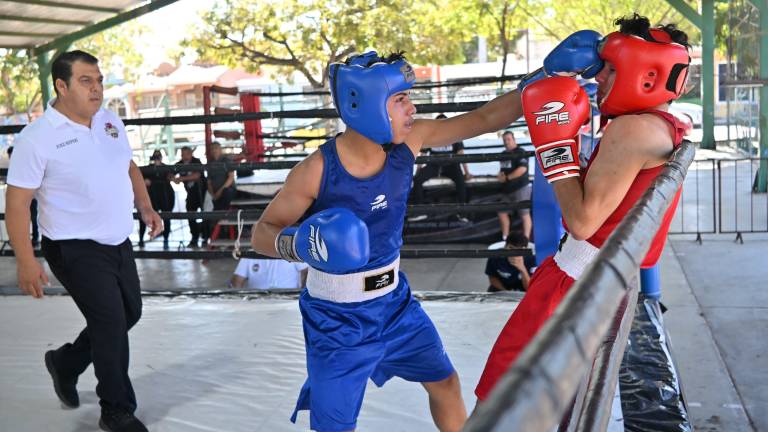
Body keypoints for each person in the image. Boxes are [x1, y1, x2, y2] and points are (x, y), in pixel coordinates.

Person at [250, 42, 600, 432]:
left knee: (445, 383)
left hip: (394, 304)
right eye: (400, 99)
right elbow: (261, 234)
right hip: (336, 320)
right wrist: (300, 244)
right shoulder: (316, 170)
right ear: (365, 105)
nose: (412, 108)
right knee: (333, 427)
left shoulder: (410, 141)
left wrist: (546, 78)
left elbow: (484, 118)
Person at [475, 14, 691, 402]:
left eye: (611, 68)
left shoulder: (633, 130)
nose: (598, 77)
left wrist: (554, 147)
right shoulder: (662, 125)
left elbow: (582, 222)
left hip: (572, 286)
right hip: (597, 283)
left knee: (500, 403)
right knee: (552, 407)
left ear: (646, 76)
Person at [4, 50, 161, 432]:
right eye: (86, 81)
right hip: (72, 246)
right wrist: (25, 260)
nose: (97, 89)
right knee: (110, 322)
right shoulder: (37, 138)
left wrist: (145, 206)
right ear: (62, 86)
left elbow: (127, 165)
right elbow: (18, 203)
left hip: (117, 239)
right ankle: (116, 410)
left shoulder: (109, 121)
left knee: (128, 314)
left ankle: (66, 363)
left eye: (99, 81)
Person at [409, 113, 471, 222]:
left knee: (461, 181)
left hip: (451, 165)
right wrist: (418, 170)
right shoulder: (430, 136)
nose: (442, 125)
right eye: (440, 122)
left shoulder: (455, 135)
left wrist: (467, 172)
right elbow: (423, 154)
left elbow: (461, 154)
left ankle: (462, 214)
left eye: (444, 122)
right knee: (417, 180)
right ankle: (419, 212)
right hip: (434, 165)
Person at [496, 131, 533, 240]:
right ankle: (505, 239)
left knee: (524, 214)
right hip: (507, 189)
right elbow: (502, 170)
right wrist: (500, 176)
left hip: (521, 187)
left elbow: (522, 169)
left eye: (508, 139)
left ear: (514, 139)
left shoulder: (521, 152)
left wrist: (507, 178)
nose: (506, 142)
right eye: (504, 140)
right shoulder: (503, 154)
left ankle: (525, 240)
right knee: (501, 212)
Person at [138, 150, 175, 249]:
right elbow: (140, 178)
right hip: (152, 196)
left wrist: (171, 177)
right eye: (155, 157)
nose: (157, 159)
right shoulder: (147, 169)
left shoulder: (166, 168)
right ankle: (141, 239)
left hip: (164, 195)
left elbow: (172, 176)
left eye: (158, 156)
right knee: (144, 216)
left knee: (166, 217)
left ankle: (166, 240)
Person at [173, 146, 207, 248]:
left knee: (205, 215)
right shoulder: (179, 164)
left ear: (191, 154)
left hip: (202, 192)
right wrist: (174, 179)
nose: (185, 157)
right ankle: (194, 238)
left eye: (187, 154)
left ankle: (205, 237)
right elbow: (169, 173)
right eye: (183, 155)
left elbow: (197, 175)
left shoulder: (196, 161)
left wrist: (181, 179)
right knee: (190, 215)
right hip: (190, 194)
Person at [6, 146, 39, 247]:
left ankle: (35, 239)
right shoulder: (13, 167)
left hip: (30, 198)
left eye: (11, 156)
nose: (10, 158)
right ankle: (19, 241)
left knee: (33, 219)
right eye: (9, 156)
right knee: (19, 220)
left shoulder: (25, 166)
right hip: (18, 199)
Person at [205, 141, 236, 240]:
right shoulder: (210, 163)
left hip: (227, 190)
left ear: (220, 149)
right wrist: (213, 194)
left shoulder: (227, 161)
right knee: (210, 205)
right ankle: (216, 233)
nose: (214, 151)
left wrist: (220, 191)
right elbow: (209, 182)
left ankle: (223, 225)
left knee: (226, 194)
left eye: (216, 148)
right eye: (212, 149)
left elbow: (231, 178)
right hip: (215, 193)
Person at [229, 258, 308, 289]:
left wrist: (303, 293)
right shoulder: (249, 255)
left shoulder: (290, 250)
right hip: (256, 301)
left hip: (289, 300)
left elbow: (306, 271)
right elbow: (237, 281)